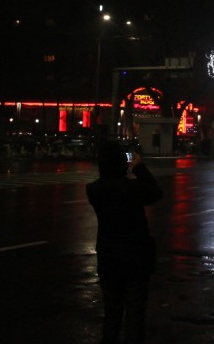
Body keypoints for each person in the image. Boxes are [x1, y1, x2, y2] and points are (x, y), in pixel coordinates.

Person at [86, 141, 163, 343]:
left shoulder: (93, 190)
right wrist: (139, 167)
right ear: (123, 164)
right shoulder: (132, 188)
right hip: (136, 258)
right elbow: (155, 192)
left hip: (109, 258)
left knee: (112, 312)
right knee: (135, 313)